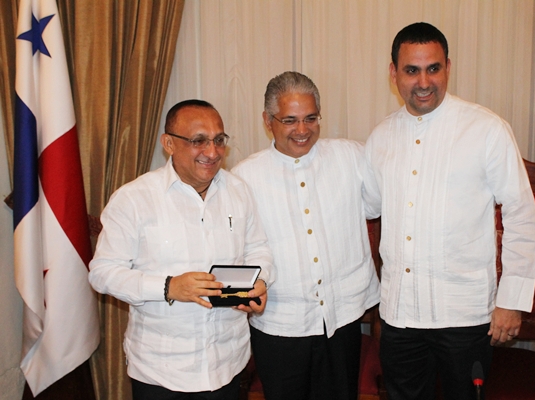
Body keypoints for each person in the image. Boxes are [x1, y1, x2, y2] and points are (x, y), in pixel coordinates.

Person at [365, 22, 535, 400]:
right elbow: (368, 205)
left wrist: (510, 301)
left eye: (434, 68)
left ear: (448, 67)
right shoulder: (380, 137)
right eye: (412, 70)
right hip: (400, 316)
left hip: (465, 316)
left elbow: (522, 214)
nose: (424, 81)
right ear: (393, 73)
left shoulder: (486, 129)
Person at [89, 100, 273, 400]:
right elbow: (102, 273)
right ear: (169, 144)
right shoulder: (134, 199)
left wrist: (259, 282)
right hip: (161, 371)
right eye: (198, 141)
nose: (212, 152)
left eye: (218, 140)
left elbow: (258, 249)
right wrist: (168, 286)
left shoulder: (239, 191)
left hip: (228, 361)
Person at [231, 71, 380, 400]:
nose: (302, 130)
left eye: (311, 118)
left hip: (341, 319)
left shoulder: (352, 157)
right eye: (290, 120)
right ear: (268, 120)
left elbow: (377, 208)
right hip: (280, 325)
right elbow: (233, 249)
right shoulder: (243, 178)